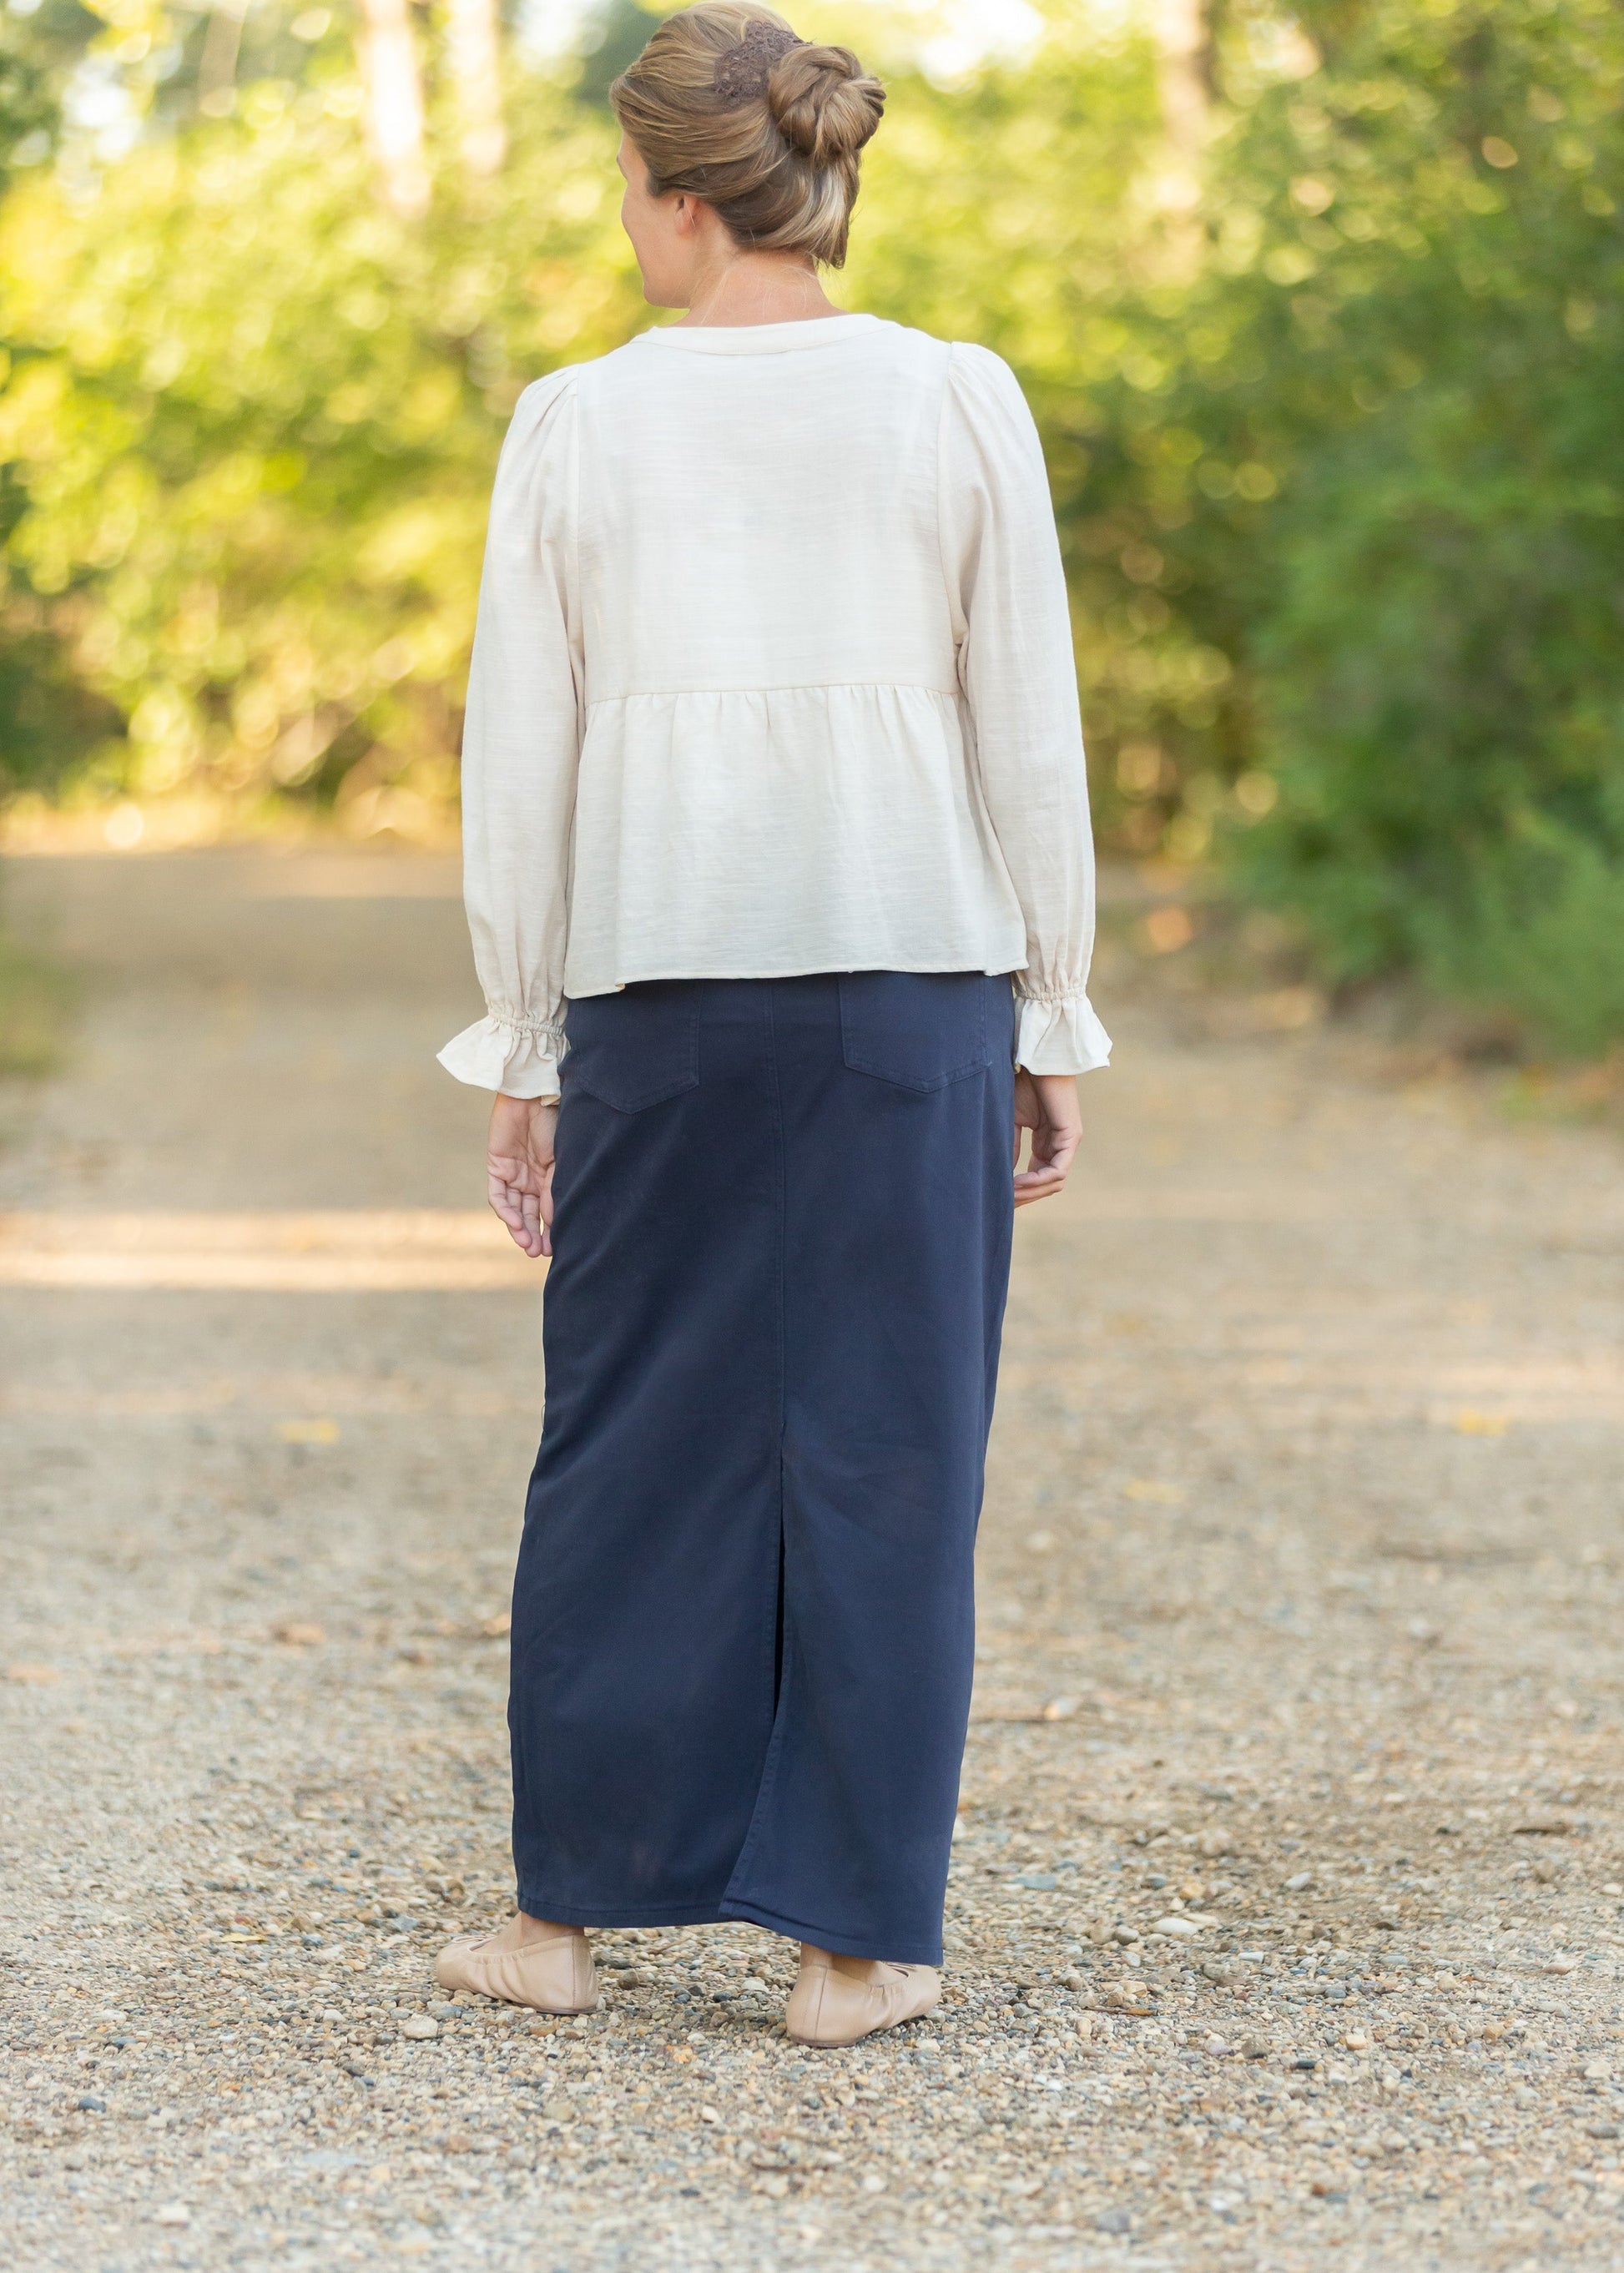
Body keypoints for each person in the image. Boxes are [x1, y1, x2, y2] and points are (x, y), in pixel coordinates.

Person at [433, 0, 1110, 2050]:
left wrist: (525, 1042)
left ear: (670, 194)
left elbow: (518, 759)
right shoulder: (952, 399)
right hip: (909, 986)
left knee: (628, 1443)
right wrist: (1049, 1006)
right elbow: (1026, 723)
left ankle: (567, 1921)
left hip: (657, 986)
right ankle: (859, 1948)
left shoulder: (579, 418)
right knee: (892, 1453)